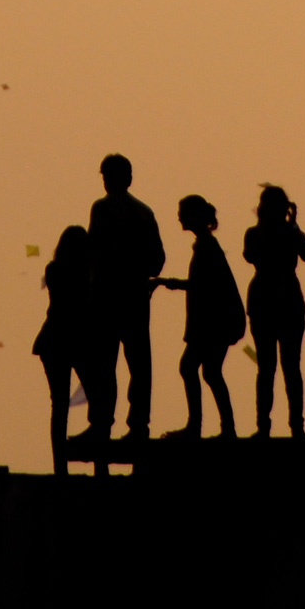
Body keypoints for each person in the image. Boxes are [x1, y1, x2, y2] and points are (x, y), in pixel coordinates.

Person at [88, 154, 167, 440]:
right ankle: (138, 425)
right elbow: (158, 259)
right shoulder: (144, 213)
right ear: (130, 179)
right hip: (135, 297)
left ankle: (100, 424)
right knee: (139, 366)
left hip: (107, 298)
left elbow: (93, 253)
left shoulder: (102, 209)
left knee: (104, 366)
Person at [153, 196, 242, 439]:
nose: (179, 217)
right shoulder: (206, 244)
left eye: (183, 212)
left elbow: (202, 285)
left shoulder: (207, 247)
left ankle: (198, 427)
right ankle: (223, 427)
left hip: (212, 324)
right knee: (209, 372)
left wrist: (166, 282)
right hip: (213, 323)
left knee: (192, 368)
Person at [242, 184, 305, 438]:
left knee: (287, 367)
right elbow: (252, 255)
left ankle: (294, 425)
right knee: (269, 367)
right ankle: (266, 425)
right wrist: (279, 227)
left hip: (285, 300)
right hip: (267, 299)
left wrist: (293, 226)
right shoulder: (254, 233)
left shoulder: (289, 232)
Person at [33, 226, 104, 470]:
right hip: (77, 340)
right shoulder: (88, 272)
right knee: (96, 396)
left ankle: (60, 463)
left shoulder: (54, 270)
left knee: (60, 404)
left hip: (53, 340)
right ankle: (97, 457)